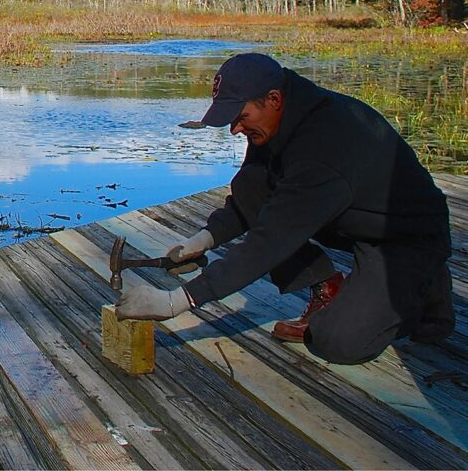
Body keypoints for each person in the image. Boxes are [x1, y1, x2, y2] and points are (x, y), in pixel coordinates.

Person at [114, 52, 455, 364]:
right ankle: (331, 286)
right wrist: (203, 239)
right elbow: (251, 195)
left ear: (273, 99)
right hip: (356, 219)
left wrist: (176, 301)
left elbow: (269, 241)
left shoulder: (323, 145)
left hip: (406, 237)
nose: (235, 129)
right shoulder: (279, 120)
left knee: (337, 343)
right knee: (251, 184)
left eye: (241, 116)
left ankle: (422, 289)